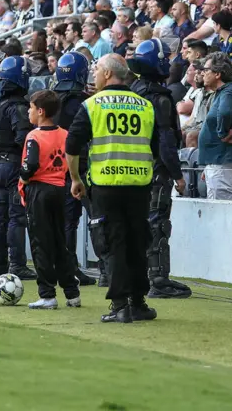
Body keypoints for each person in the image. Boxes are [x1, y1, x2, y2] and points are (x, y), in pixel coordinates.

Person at [65, 54, 167, 324]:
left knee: (112, 245)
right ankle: (138, 303)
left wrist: (75, 179)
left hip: (106, 185)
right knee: (137, 244)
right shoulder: (145, 106)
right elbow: (156, 148)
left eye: (97, 69)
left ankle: (120, 305)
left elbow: (72, 146)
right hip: (139, 185)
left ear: (109, 74)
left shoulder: (93, 105)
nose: (94, 74)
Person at [127, 39, 191, 299]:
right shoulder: (160, 98)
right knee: (158, 223)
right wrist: (177, 175)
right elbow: (165, 141)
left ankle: (134, 275)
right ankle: (158, 279)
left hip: (130, 167)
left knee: (135, 222)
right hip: (155, 168)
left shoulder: (132, 92)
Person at [19, 90, 81, 309]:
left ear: (41, 111)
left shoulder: (33, 137)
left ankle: (47, 294)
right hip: (60, 189)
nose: (29, 111)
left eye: (31, 107)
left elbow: (31, 164)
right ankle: (72, 293)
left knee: (41, 244)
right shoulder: (65, 134)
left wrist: (23, 178)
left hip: (39, 191)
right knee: (59, 242)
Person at [0, 55, 36, 279]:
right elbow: (23, 137)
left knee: (1, 216)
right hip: (14, 164)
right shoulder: (18, 107)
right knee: (16, 216)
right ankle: (16, 264)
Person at [53, 52, 97, 287]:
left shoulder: (51, 100)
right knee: (95, 219)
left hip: (54, 168)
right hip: (80, 168)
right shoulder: (84, 102)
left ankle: (66, 267)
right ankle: (103, 268)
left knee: (64, 222)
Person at [196, 52, 232, 200]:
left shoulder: (229, 92)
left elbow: (225, 112)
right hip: (219, 163)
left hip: (224, 163)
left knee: (221, 214)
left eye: (206, 70)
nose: (202, 73)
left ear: (218, 74)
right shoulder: (223, 92)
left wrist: (223, 134)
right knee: (216, 212)